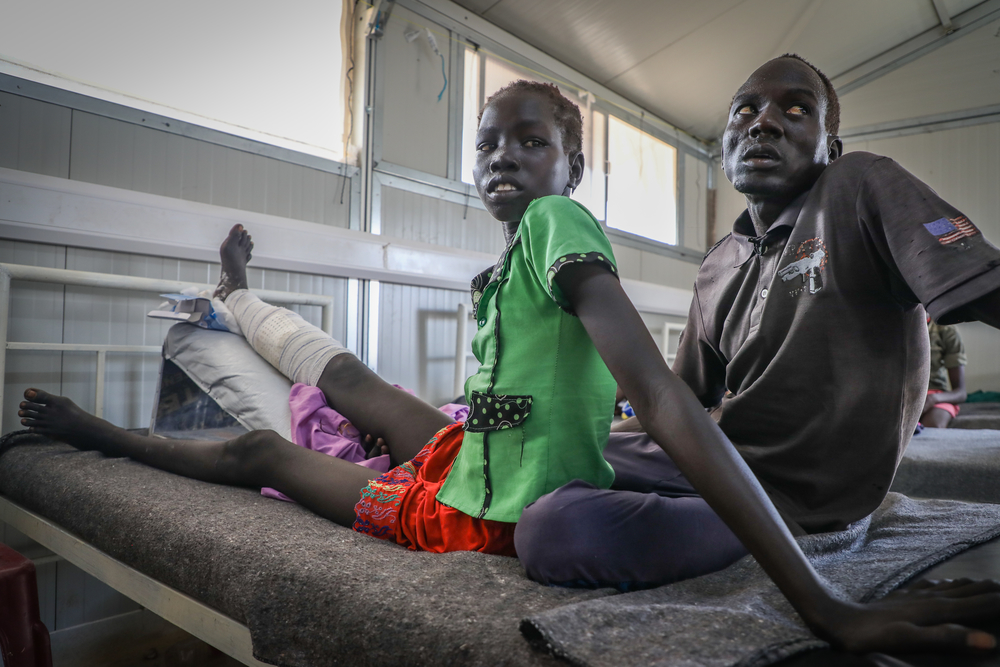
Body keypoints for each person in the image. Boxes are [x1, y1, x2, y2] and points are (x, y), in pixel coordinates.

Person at [14, 77, 1000, 655]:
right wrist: (478, 417)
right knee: (358, 387)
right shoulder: (638, 263)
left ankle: (113, 424)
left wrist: (822, 603)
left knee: (281, 452)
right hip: (474, 456)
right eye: (487, 144)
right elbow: (657, 401)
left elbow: (660, 397)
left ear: (573, 170)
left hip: (476, 510)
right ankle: (235, 297)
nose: (502, 157)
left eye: (531, 142)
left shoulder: (571, 223)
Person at [512, 57, 1000, 654]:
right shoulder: (720, 260)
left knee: (556, 527)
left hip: (789, 498)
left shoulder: (858, 186)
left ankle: (752, 535)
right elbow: (680, 401)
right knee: (532, 456)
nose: (763, 121)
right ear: (724, 143)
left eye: (796, 109)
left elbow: (986, 285)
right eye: (745, 109)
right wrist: (590, 428)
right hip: (711, 462)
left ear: (830, 147)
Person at [922, 319, 967, 428]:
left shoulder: (946, 330)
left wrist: (932, 399)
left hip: (934, 396)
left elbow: (960, 392)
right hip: (897, 396)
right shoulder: (891, 329)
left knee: (932, 428)